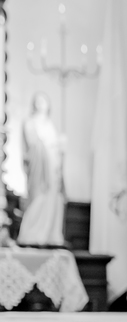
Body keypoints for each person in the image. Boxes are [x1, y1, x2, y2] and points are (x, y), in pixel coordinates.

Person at [18, 92, 66, 246]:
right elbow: (32, 145)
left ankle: (49, 233)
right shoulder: (30, 122)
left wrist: (60, 145)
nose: (41, 104)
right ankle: (32, 233)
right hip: (39, 169)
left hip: (52, 169)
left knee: (52, 198)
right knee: (38, 198)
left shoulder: (50, 124)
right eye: (38, 101)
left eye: (44, 101)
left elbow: (55, 148)